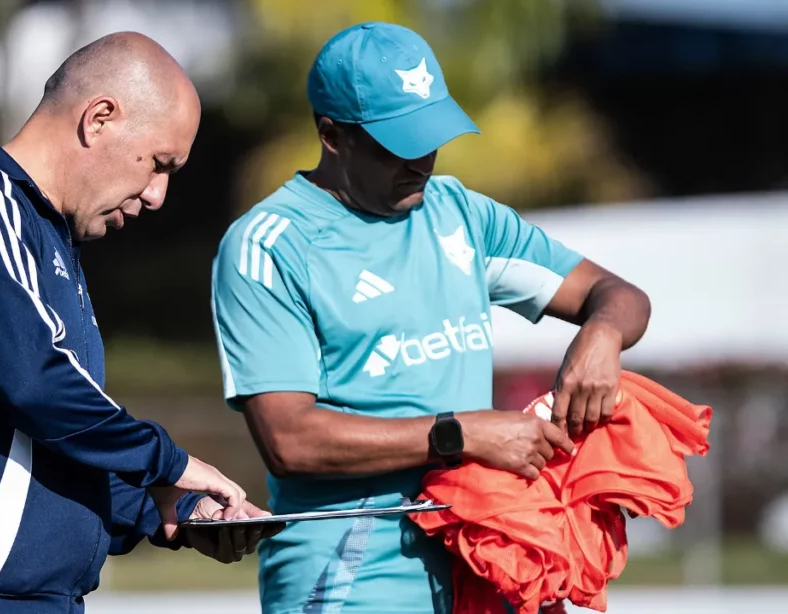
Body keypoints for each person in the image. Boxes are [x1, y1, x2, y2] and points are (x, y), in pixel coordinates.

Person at [209, 22, 651, 614]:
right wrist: (463, 434)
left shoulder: (461, 214)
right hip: (349, 581)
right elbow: (290, 439)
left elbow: (618, 295)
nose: (420, 160)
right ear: (331, 135)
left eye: (430, 136)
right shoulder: (270, 245)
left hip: (487, 561)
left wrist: (601, 335)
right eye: (397, 143)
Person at [0, 32, 279, 614]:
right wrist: (171, 463)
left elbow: (46, 446)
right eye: (160, 163)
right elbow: (36, 384)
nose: (159, 194)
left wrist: (178, 511)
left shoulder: (55, 245)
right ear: (100, 117)